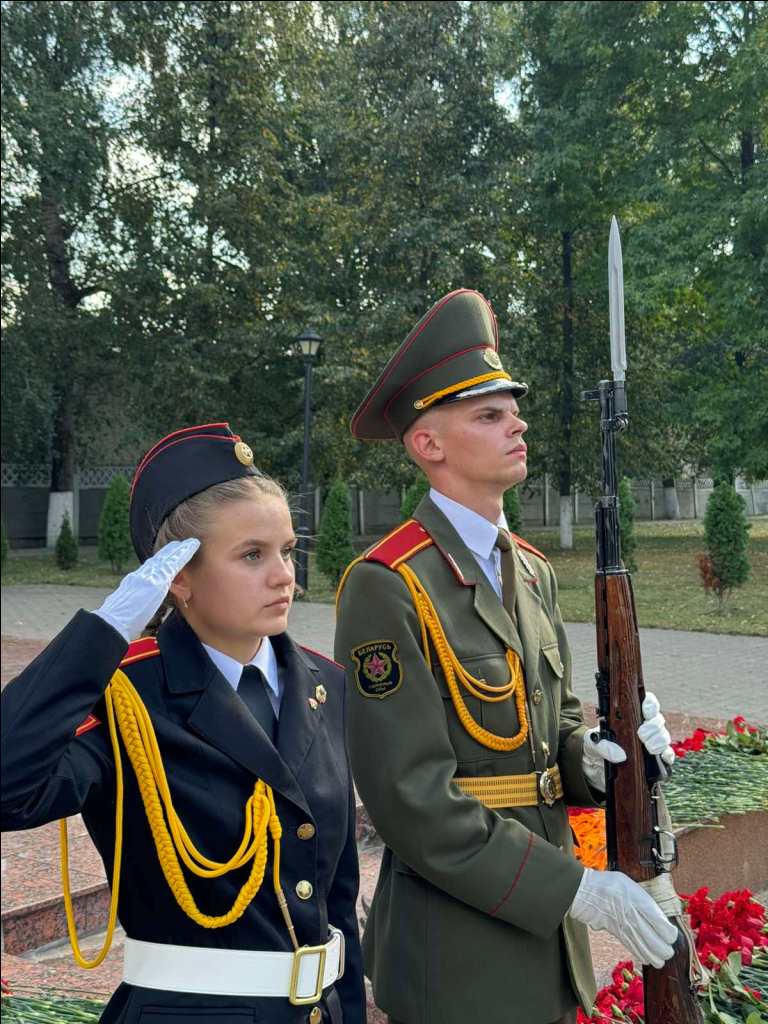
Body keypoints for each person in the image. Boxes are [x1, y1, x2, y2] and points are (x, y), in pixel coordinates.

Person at [334, 290, 677, 1024]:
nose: (517, 423)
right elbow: (410, 800)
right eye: (489, 415)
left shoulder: (530, 569)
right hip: (455, 959)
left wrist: (602, 755)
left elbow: (557, 730)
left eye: (511, 409)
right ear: (429, 445)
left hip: (547, 955)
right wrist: (576, 890)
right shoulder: (389, 584)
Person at [1, 422, 365, 1024]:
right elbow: (9, 789)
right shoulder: (127, 696)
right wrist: (101, 636)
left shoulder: (324, 683)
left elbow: (337, 895)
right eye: (252, 555)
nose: (284, 575)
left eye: (286, 549)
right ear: (179, 577)